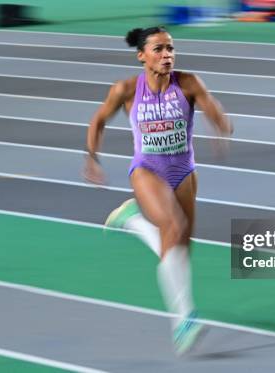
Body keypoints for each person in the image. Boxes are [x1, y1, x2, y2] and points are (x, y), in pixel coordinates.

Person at [84, 26, 233, 355]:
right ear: (142, 56)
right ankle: (183, 320)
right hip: (147, 170)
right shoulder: (125, 89)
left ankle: (134, 221)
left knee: (179, 251)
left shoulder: (188, 82)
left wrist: (221, 125)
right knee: (173, 227)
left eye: (170, 48)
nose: (167, 55)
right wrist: (92, 157)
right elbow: (98, 121)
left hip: (184, 170)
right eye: (159, 50)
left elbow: (212, 106)